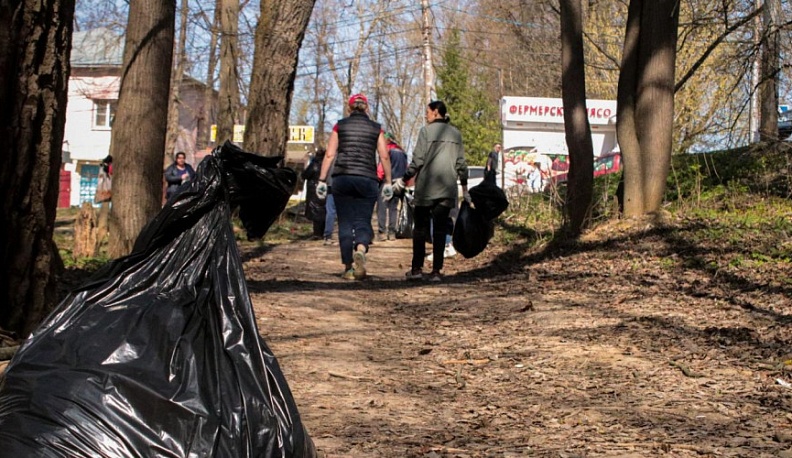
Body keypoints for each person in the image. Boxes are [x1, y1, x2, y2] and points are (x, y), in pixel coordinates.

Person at [316, 93, 393, 280]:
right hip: (367, 179)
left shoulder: (339, 126)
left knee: (345, 222)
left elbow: (329, 154)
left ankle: (348, 267)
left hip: (342, 178)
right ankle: (360, 249)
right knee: (363, 220)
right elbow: (384, 156)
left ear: (349, 108)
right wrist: (389, 182)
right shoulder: (376, 129)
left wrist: (322, 179)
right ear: (366, 108)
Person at [394, 100, 468, 282]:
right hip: (447, 188)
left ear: (436, 112)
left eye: (427, 112)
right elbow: (461, 164)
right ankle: (436, 271)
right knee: (440, 230)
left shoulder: (426, 132)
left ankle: (417, 269)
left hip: (426, 188)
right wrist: (465, 189)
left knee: (419, 228)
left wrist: (404, 180)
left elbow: (418, 160)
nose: (425, 115)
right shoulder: (456, 134)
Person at [376, 133, 408, 241]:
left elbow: (382, 167)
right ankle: (392, 232)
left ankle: (382, 232)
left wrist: (378, 178)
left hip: (387, 182)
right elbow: (406, 168)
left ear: (387, 140)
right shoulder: (402, 152)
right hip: (399, 184)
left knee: (382, 207)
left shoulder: (387, 150)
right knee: (394, 208)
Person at [301, 150, 327, 239]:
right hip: (324, 188)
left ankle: (317, 234)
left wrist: (305, 165)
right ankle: (322, 232)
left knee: (315, 210)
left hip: (313, 189)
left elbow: (305, 175)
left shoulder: (314, 164)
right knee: (322, 209)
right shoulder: (327, 164)